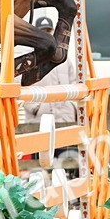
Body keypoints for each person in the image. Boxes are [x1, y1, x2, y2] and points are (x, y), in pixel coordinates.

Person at [22, 43, 82, 183]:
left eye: (49, 31)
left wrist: (71, 106)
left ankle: (70, 195)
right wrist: (36, 108)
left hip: (64, 119)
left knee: (68, 160)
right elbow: (20, 87)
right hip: (39, 122)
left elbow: (75, 82)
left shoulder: (64, 58)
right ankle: (42, 197)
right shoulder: (28, 59)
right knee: (41, 165)